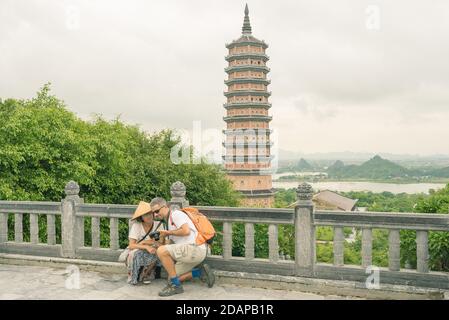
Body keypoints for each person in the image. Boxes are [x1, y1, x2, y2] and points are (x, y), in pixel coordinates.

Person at [150, 197, 215, 296]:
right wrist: (156, 242)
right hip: (191, 252)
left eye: (157, 211)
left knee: (162, 251)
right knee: (171, 278)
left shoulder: (176, 214)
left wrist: (167, 233)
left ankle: (177, 287)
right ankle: (200, 272)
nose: (155, 214)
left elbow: (186, 231)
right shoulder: (167, 222)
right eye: (153, 213)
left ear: (165, 207)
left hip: (195, 249)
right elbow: (169, 247)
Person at [126, 201, 163, 285]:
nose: (149, 216)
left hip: (154, 250)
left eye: (150, 213)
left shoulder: (159, 225)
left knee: (158, 251)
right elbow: (131, 245)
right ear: (141, 217)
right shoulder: (137, 226)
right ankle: (134, 276)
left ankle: (145, 274)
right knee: (136, 254)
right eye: (145, 214)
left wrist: (146, 242)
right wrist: (146, 247)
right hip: (139, 250)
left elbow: (161, 243)